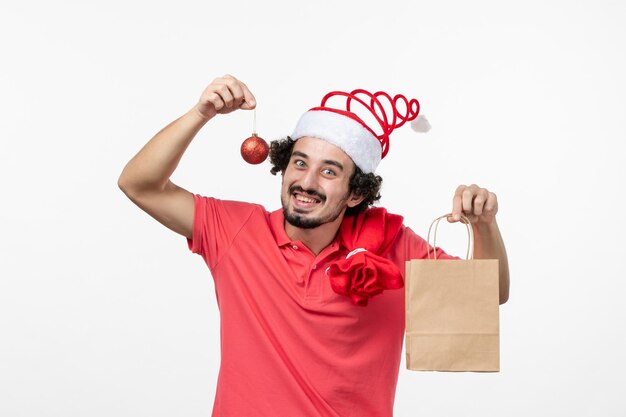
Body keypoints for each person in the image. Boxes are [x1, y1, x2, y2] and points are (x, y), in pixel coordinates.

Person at [118, 74, 509, 417]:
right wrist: (199, 113)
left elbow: (487, 295)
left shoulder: (393, 245)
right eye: (300, 163)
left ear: (356, 194)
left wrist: (484, 225)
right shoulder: (236, 229)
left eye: (329, 171)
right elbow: (139, 184)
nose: (307, 182)